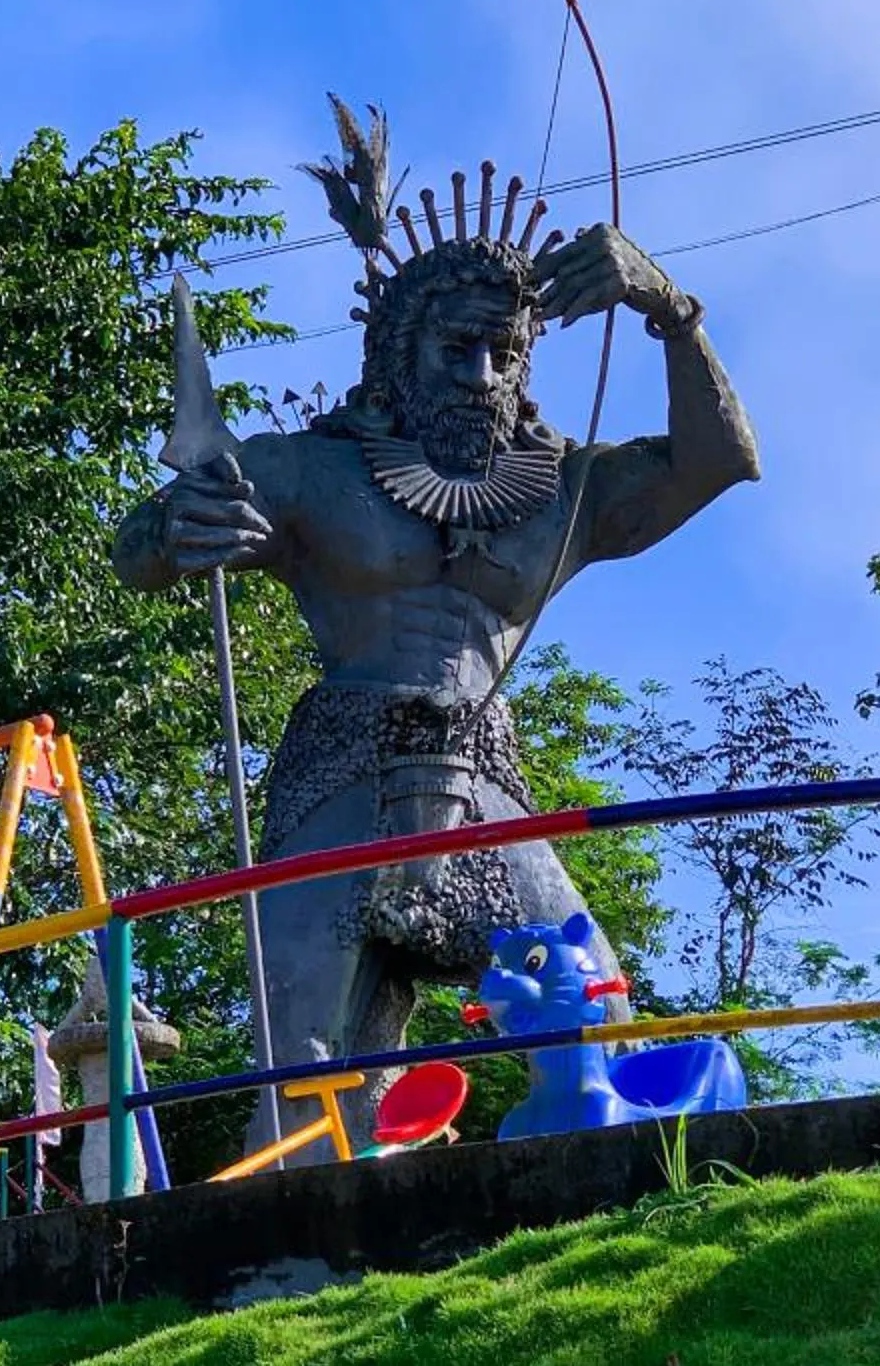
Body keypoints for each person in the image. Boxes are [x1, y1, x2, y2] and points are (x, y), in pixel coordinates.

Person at [113, 104, 760, 1150]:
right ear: (399, 351)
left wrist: (671, 311)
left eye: (504, 354)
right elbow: (143, 547)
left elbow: (714, 461)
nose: (482, 378)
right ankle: (289, 1270)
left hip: (483, 783)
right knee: (305, 1084)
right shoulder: (313, 471)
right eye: (457, 349)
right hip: (343, 776)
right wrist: (174, 526)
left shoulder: (564, 492)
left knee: (592, 1007)